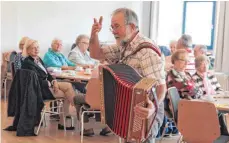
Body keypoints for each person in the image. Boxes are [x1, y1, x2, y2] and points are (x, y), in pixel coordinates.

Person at [89, 8, 166, 143]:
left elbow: (160, 87)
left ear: (131, 26)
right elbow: (96, 54)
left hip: (149, 108)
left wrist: (152, 107)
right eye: (112, 27)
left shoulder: (146, 50)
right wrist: (94, 34)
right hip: (130, 106)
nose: (113, 31)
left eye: (117, 26)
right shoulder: (123, 45)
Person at [21, 39, 77, 130]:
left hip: (46, 85)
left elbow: (47, 74)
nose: (36, 49)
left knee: (68, 85)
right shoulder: (27, 63)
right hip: (39, 90)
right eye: (33, 48)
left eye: (37, 47)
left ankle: (72, 116)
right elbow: (35, 80)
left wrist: (54, 82)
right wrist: (50, 83)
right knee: (67, 93)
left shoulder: (38, 59)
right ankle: (78, 113)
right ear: (27, 50)